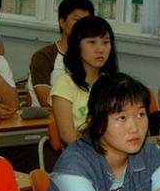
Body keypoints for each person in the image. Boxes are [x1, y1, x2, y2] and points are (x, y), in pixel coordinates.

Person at [50, 15, 118, 145]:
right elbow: (68, 137)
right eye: (92, 42)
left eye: (105, 42)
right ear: (77, 45)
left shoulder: (114, 84)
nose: (100, 49)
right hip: (82, 153)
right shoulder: (65, 84)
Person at [29, 0, 95, 108]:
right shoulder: (44, 56)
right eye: (77, 20)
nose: (82, 26)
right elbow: (45, 100)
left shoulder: (92, 56)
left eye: (87, 21)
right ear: (62, 22)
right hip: (49, 116)